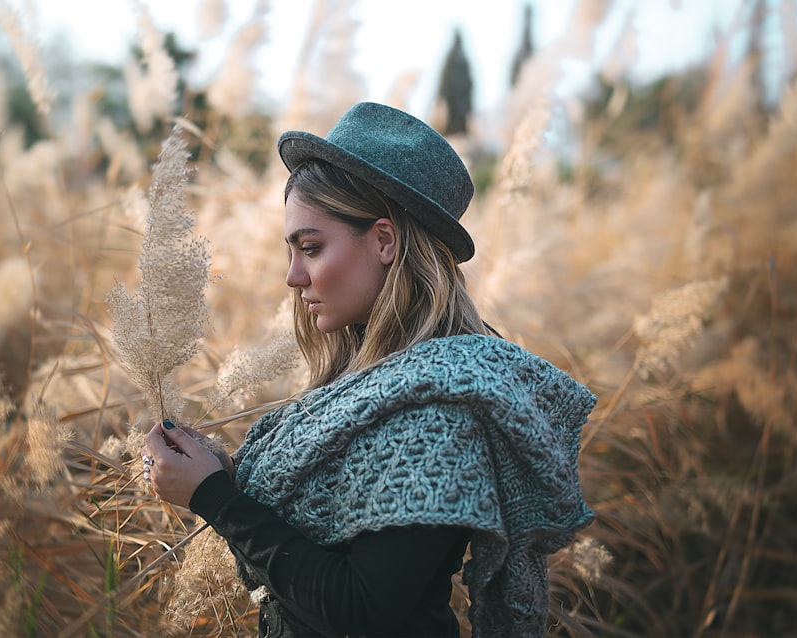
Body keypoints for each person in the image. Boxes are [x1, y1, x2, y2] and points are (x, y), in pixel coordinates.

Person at [142, 102, 597, 637]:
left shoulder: (441, 406)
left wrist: (214, 498)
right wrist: (222, 478)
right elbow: (306, 562)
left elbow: (361, 610)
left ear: (384, 241)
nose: (293, 276)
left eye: (310, 247)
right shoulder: (367, 385)